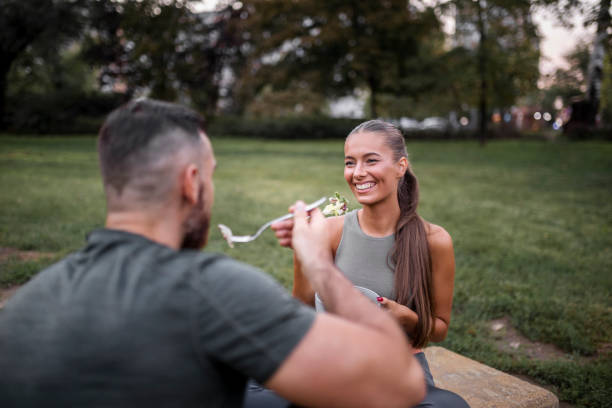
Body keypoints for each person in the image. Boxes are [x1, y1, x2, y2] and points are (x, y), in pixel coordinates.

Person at [0, 100, 426, 408]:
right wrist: (317, 262)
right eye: (211, 175)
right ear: (191, 183)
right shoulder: (217, 292)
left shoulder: (25, 306)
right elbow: (399, 382)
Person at [272, 119, 470, 407]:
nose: (358, 173)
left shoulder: (435, 240)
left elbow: (439, 329)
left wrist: (406, 317)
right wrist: (305, 252)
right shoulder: (329, 231)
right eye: (350, 162)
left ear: (400, 167)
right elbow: (302, 309)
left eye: (371, 161)